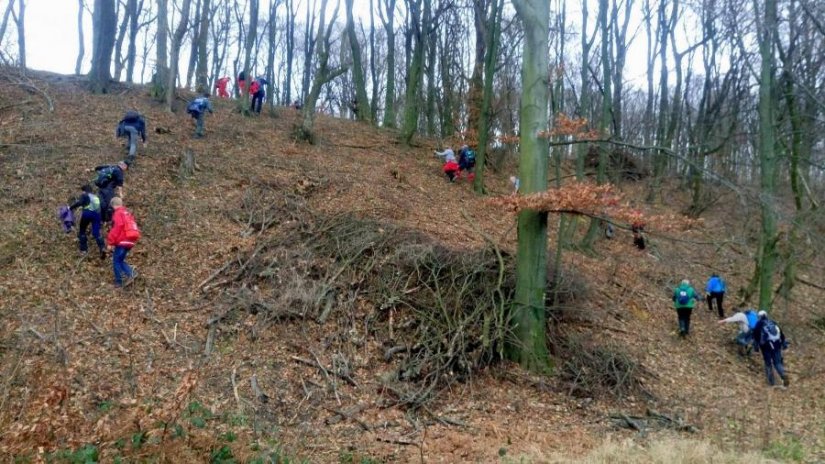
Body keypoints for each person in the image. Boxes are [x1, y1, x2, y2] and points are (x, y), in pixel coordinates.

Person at [106, 197, 139, 288]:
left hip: (122, 241)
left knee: (116, 261)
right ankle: (131, 273)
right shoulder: (127, 213)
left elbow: (116, 228)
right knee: (120, 260)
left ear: (113, 205)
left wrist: (110, 242)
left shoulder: (118, 214)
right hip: (130, 241)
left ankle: (118, 282)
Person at [69, 184, 106, 259]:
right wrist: (104, 218)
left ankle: (84, 250)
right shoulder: (96, 197)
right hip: (97, 215)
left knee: (82, 231)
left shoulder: (85, 195)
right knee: (96, 232)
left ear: (84, 191)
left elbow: (79, 203)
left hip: (87, 214)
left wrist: (70, 208)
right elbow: (103, 206)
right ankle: (102, 248)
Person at [753, 311, 789, 387]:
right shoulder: (773, 322)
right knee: (777, 363)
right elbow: (781, 335)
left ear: (759, 317)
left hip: (766, 347)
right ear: (766, 315)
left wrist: (756, 348)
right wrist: (784, 344)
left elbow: (756, 337)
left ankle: (771, 383)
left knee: (768, 363)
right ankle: (783, 375)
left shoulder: (759, 324)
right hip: (777, 345)